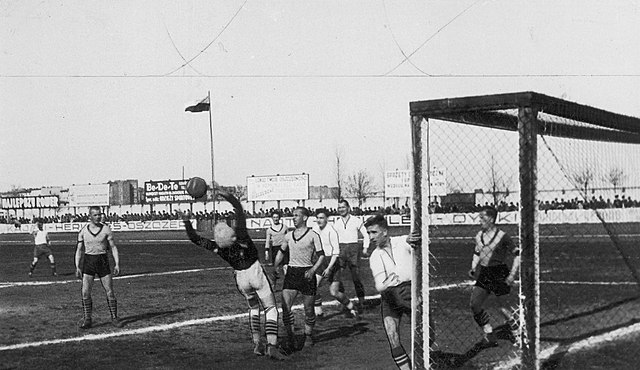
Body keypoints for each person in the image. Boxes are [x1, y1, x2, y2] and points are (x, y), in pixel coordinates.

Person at [182, 191, 287, 361]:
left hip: (241, 279)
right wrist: (229, 197)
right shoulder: (241, 235)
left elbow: (195, 238)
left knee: (253, 308)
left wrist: (186, 220)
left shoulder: (219, 247)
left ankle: (257, 343)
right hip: (255, 272)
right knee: (270, 308)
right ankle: (272, 346)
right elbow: (239, 209)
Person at [365, 214, 417, 370]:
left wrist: (412, 240)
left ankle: (422, 361)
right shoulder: (375, 256)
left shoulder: (402, 241)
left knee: (427, 334)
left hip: (411, 292)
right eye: (368, 233)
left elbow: (413, 241)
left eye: (374, 232)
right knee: (392, 335)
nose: (370, 237)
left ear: (385, 232)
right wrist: (395, 278)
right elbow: (380, 286)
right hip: (389, 297)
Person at [274, 206, 325, 351]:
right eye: (293, 215)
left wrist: (313, 270)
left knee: (309, 310)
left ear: (304, 218)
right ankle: (291, 338)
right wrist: (275, 266)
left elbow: (321, 256)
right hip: (292, 273)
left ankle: (308, 335)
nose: (293, 218)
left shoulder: (313, 235)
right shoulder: (289, 235)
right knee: (285, 307)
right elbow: (281, 252)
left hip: (307, 274)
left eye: (296, 215)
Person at [468, 206, 520, 347]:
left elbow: (517, 255)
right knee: (475, 304)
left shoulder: (503, 236)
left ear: (491, 219)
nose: (480, 221)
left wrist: (511, 275)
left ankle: (517, 332)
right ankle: (489, 333)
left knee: (503, 308)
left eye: (482, 218)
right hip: (484, 273)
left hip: (499, 273)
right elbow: (477, 253)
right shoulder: (478, 236)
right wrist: (473, 267)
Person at [75, 206, 124, 329]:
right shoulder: (83, 231)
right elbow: (79, 250)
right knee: (85, 292)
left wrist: (117, 263)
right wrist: (77, 266)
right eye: (95, 215)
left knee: (110, 291)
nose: (98, 217)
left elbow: (113, 247)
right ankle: (87, 319)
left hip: (102, 261)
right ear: (90, 216)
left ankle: (114, 318)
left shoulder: (106, 229)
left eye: (99, 214)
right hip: (89, 262)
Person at [311, 208, 359, 319]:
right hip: (321, 260)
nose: (319, 220)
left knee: (334, 292)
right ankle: (318, 311)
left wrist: (329, 268)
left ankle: (351, 306)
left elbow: (336, 253)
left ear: (327, 219)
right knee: (313, 286)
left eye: (322, 218)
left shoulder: (331, 231)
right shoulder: (314, 229)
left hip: (332, 262)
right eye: (317, 218)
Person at [334, 199, 370, 310]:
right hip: (341, 250)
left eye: (343, 207)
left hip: (353, 250)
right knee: (337, 277)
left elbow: (366, 234)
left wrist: (365, 248)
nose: (341, 209)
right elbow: (333, 238)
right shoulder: (337, 222)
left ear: (348, 208)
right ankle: (343, 300)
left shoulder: (356, 220)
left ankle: (362, 300)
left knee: (356, 277)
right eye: (339, 207)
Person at [264, 210, 288, 277]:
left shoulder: (285, 227)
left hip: (284, 248)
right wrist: (266, 251)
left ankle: (287, 281)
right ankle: (274, 284)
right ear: (272, 218)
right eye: (274, 217)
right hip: (275, 248)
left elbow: (289, 238)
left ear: (279, 218)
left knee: (285, 265)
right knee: (276, 267)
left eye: (277, 217)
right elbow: (267, 241)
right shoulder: (269, 230)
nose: (275, 219)